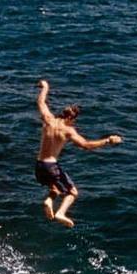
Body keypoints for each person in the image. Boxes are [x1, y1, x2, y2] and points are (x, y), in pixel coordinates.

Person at [35, 79, 122, 228]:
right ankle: (61, 213)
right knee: (72, 193)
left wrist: (45, 87)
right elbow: (86, 145)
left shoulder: (48, 119)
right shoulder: (68, 130)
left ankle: (49, 201)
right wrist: (107, 140)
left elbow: (41, 102)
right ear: (71, 118)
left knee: (55, 188)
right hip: (51, 166)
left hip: (39, 166)